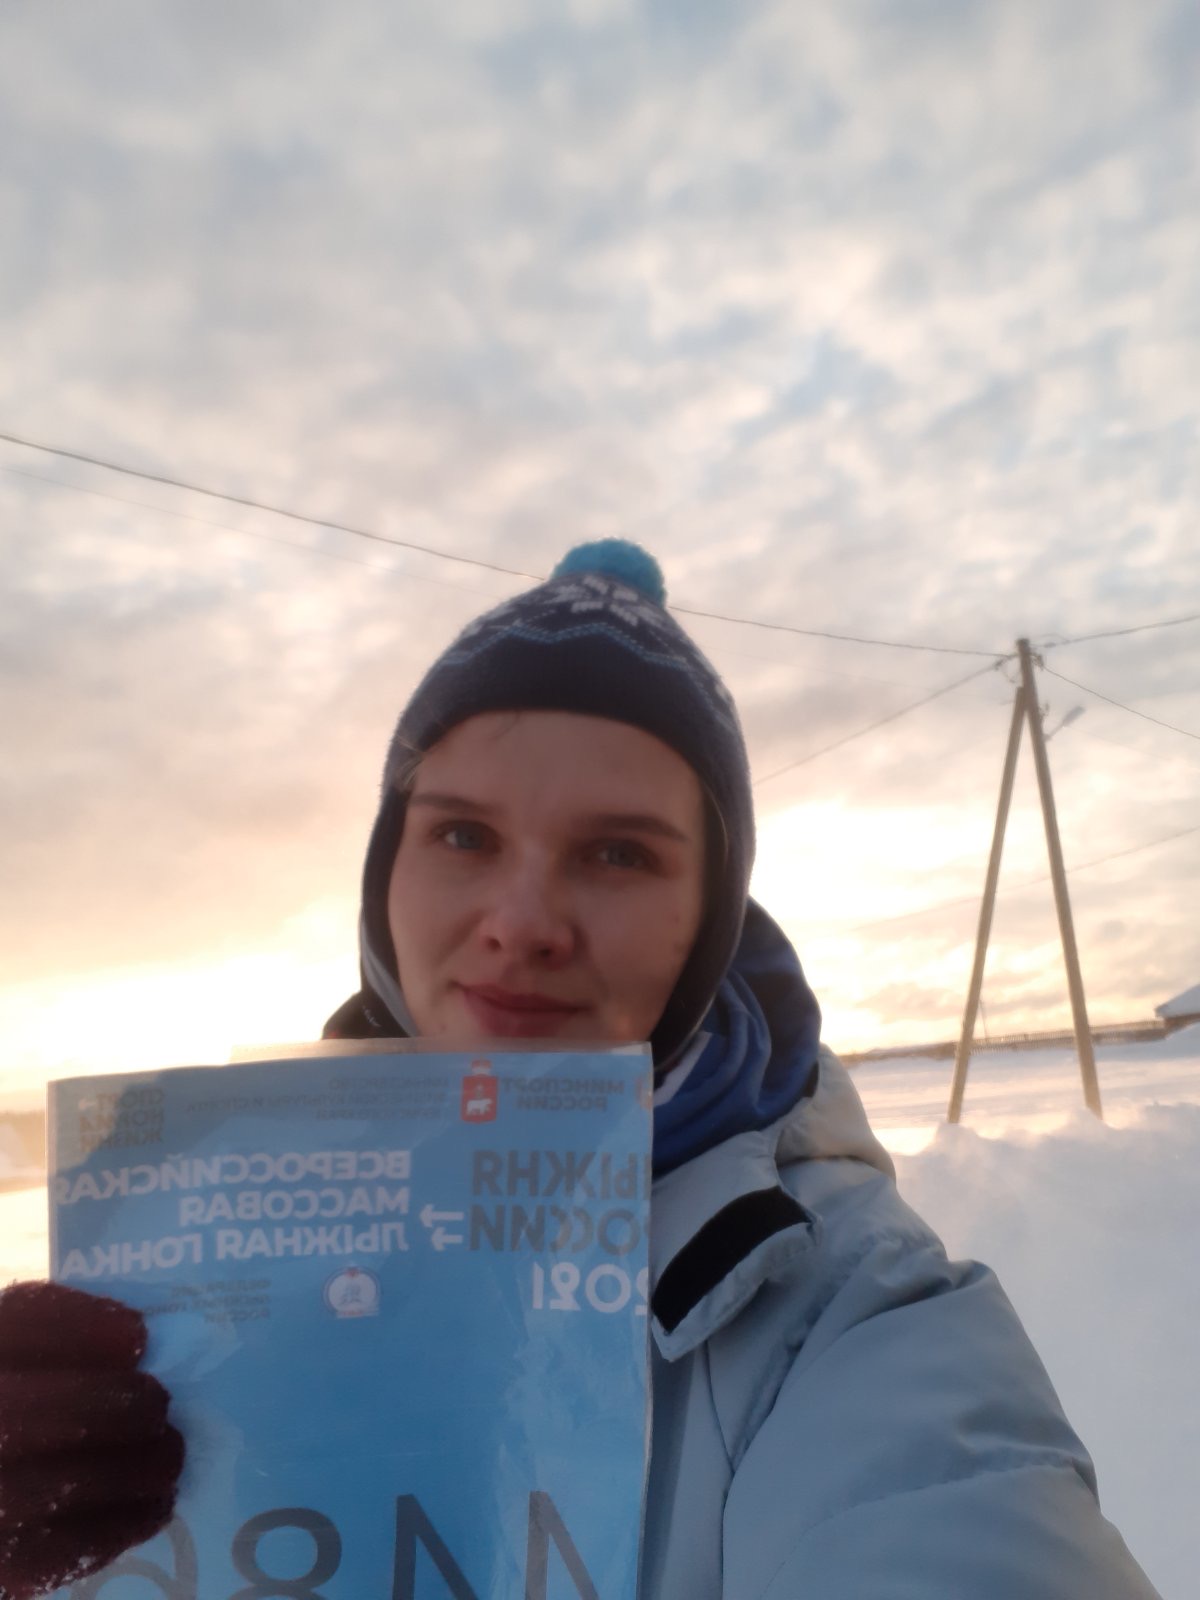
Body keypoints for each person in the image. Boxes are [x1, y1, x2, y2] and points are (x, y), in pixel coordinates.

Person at [0, 541, 1159, 1599]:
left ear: (709, 918)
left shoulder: (846, 1313)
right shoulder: (195, 1247)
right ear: (384, 876)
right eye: (463, 834)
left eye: (617, 852)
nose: (523, 921)